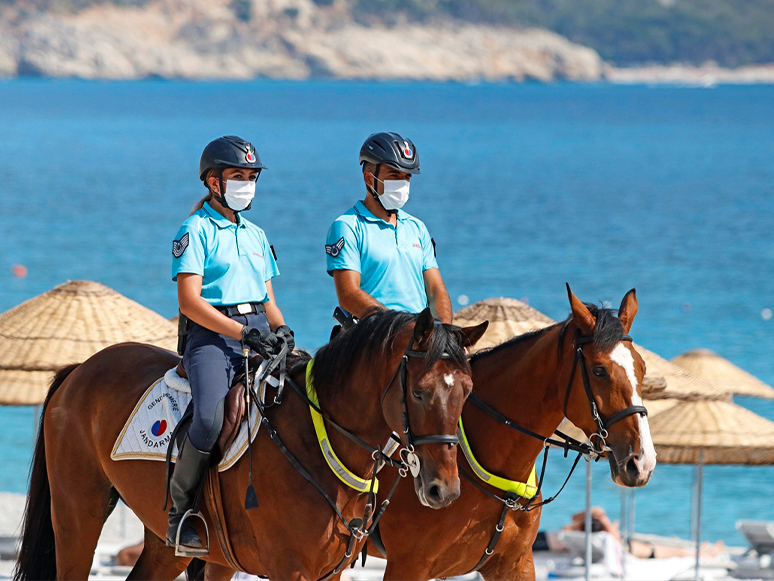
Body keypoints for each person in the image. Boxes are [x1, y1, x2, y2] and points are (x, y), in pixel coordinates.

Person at [168, 135, 294, 550]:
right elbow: (189, 301)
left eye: (251, 177)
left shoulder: (257, 235)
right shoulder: (195, 229)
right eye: (237, 176)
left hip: (258, 330)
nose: (247, 184)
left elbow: (269, 301)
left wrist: (283, 331)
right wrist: (241, 332)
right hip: (212, 337)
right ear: (214, 182)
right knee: (208, 418)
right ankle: (180, 511)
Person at [325, 132, 452, 325]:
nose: (402, 183)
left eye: (407, 177)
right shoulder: (347, 226)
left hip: (417, 341)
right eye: (394, 175)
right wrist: (400, 328)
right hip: (375, 339)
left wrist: (444, 331)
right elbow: (348, 294)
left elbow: (436, 290)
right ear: (369, 179)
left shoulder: (417, 228)